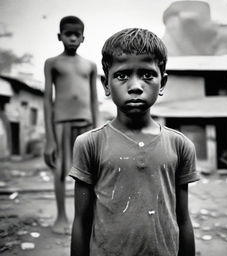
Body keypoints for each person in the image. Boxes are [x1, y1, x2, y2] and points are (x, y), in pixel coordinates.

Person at [69, 28, 200, 255]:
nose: (136, 86)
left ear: (163, 82)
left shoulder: (180, 146)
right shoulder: (90, 144)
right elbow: (81, 221)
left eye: (148, 75)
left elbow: (183, 221)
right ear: (106, 84)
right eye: (122, 75)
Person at [44, 16, 98, 234]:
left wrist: (97, 129)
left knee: (89, 173)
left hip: (86, 124)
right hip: (62, 123)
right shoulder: (53, 63)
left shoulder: (90, 65)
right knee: (60, 170)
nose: (73, 38)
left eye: (77, 34)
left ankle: (86, 219)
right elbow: (47, 100)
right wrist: (49, 139)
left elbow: (94, 100)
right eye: (68, 34)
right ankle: (60, 217)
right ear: (60, 36)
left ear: (83, 37)